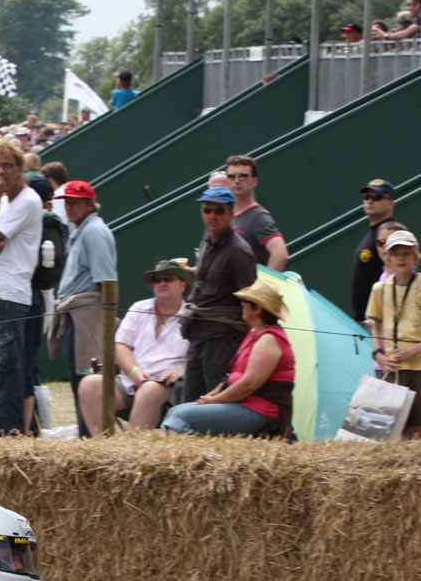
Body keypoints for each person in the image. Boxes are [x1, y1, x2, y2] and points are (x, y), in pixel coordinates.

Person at [0, 139, 43, 435]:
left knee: (5, 373)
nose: (1, 172)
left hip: (9, 295)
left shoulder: (26, 200)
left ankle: (9, 438)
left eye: (7, 166)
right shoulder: (4, 200)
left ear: (21, 168)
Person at [163, 278, 294, 437]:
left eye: (246, 301)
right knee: (175, 411)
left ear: (258, 309)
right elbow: (232, 377)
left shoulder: (269, 340)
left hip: (259, 410)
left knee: (180, 417)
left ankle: (177, 461)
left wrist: (215, 400)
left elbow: (248, 385)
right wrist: (213, 394)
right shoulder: (255, 335)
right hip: (244, 405)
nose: (241, 304)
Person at [78, 259, 189, 434]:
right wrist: (134, 371)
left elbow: (201, 357)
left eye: (168, 279)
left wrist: (182, 372)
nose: (162, 283)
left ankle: (133, 455)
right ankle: (102, 449)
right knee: (89, 384)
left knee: (149, 390)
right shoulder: (139, 308)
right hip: (132, 380)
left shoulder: (192, 315)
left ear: (183, 285)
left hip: (171, 386)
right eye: (157, 280)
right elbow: (121, 345)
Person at [366, 231, 421, 440]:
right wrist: (379, 354)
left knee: (417, 427)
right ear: (388, 257)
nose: (401, 258)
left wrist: (416, 349)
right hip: (392, 365)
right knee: (384, 426)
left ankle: (418, 467)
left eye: (407, 253)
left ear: (416, 257)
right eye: (396, 254)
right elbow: (375, 325)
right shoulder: (380, 289)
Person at [51, 179, 117, 427]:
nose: (69, 207)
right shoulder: (83, 231)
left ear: (90, 205)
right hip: (78, 312)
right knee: (81, 381)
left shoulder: (93, 232)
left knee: (87, 381)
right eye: (67, 202)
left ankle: (92, 437)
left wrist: (106, 319)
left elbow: (106, 281)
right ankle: (88, 436)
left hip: (87, 314)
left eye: (75, 202)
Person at [183, 186, 257, 404]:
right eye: (207, 210)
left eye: (219, 211)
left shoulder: (239, 251)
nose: (212, 215)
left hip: (223, 338)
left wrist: (250, 340)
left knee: (216, 401)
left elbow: (251, 298)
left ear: (231, 213)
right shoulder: (207, 242)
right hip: (198, 333)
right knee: (190, 400)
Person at [224, 155, 288, 271]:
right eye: (231, 177)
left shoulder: (258, 216)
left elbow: (280, 253)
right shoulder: (226, 216)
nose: (237, 181)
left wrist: (262, 287)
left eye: (243, 177)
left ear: (254, 181)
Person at [351, 178, 397, 321]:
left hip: (380, 320)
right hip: (368, 320)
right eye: (367, 197)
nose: (370, 201)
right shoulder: (373, 233)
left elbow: (398, 273)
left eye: (377, 197)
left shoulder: (389, 233)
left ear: (391, 203)